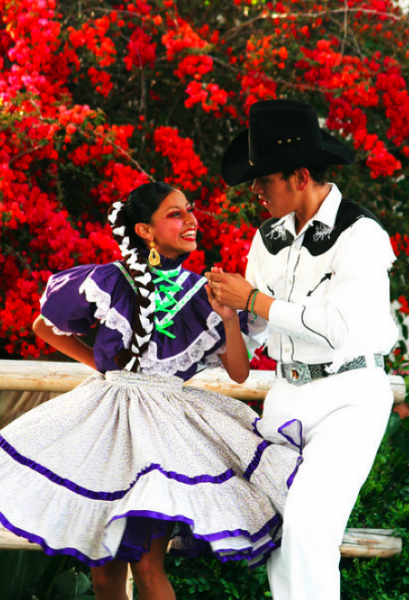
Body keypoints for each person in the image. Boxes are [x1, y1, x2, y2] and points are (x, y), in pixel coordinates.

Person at [0, 182, 302, 600]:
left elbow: (238, 372)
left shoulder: (203, 294)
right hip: (106, 426)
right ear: (144, 230)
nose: (191, 220)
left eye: (190, 210)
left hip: (161, 435)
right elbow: (42, 327)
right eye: (175, 214)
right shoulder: (108, 279)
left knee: (147, 565)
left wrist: (230, 320)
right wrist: (106, 368)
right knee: (105, 574)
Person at [206, 99, 398, 600]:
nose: (255, 190)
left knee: (309, 528)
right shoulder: (264, 239)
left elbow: (337, 327)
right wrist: (231, 316)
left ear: (299, 176)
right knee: (278, 536)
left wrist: (252, 298)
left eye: (264, 179)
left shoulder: (362, 235)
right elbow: (249, 350)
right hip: (286, 396)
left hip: (349, 396)